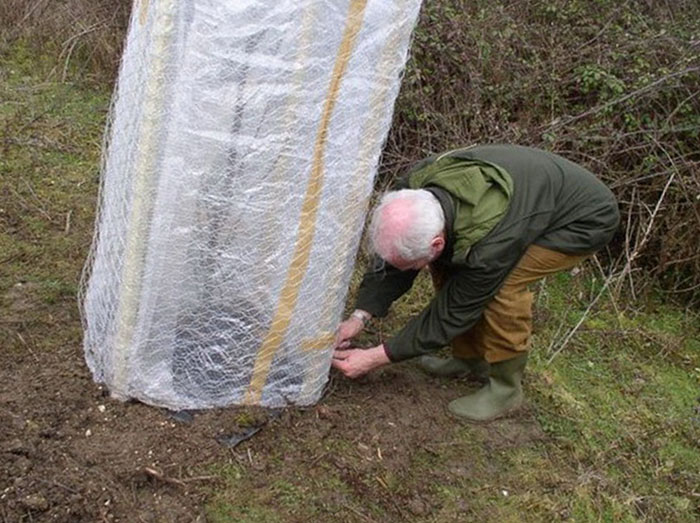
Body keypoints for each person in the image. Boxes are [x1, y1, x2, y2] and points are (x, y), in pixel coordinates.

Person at [331, 144, 620, 422]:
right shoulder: (411, 190)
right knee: (449, 267)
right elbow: (395, 261)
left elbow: (454, 310)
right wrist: (360, 316)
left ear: (437, 241)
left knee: (503, 289)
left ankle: (506, 389)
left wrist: (375, 357)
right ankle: (469, 359)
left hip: (583, 219)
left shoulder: (490, 247)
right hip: (530, 198)